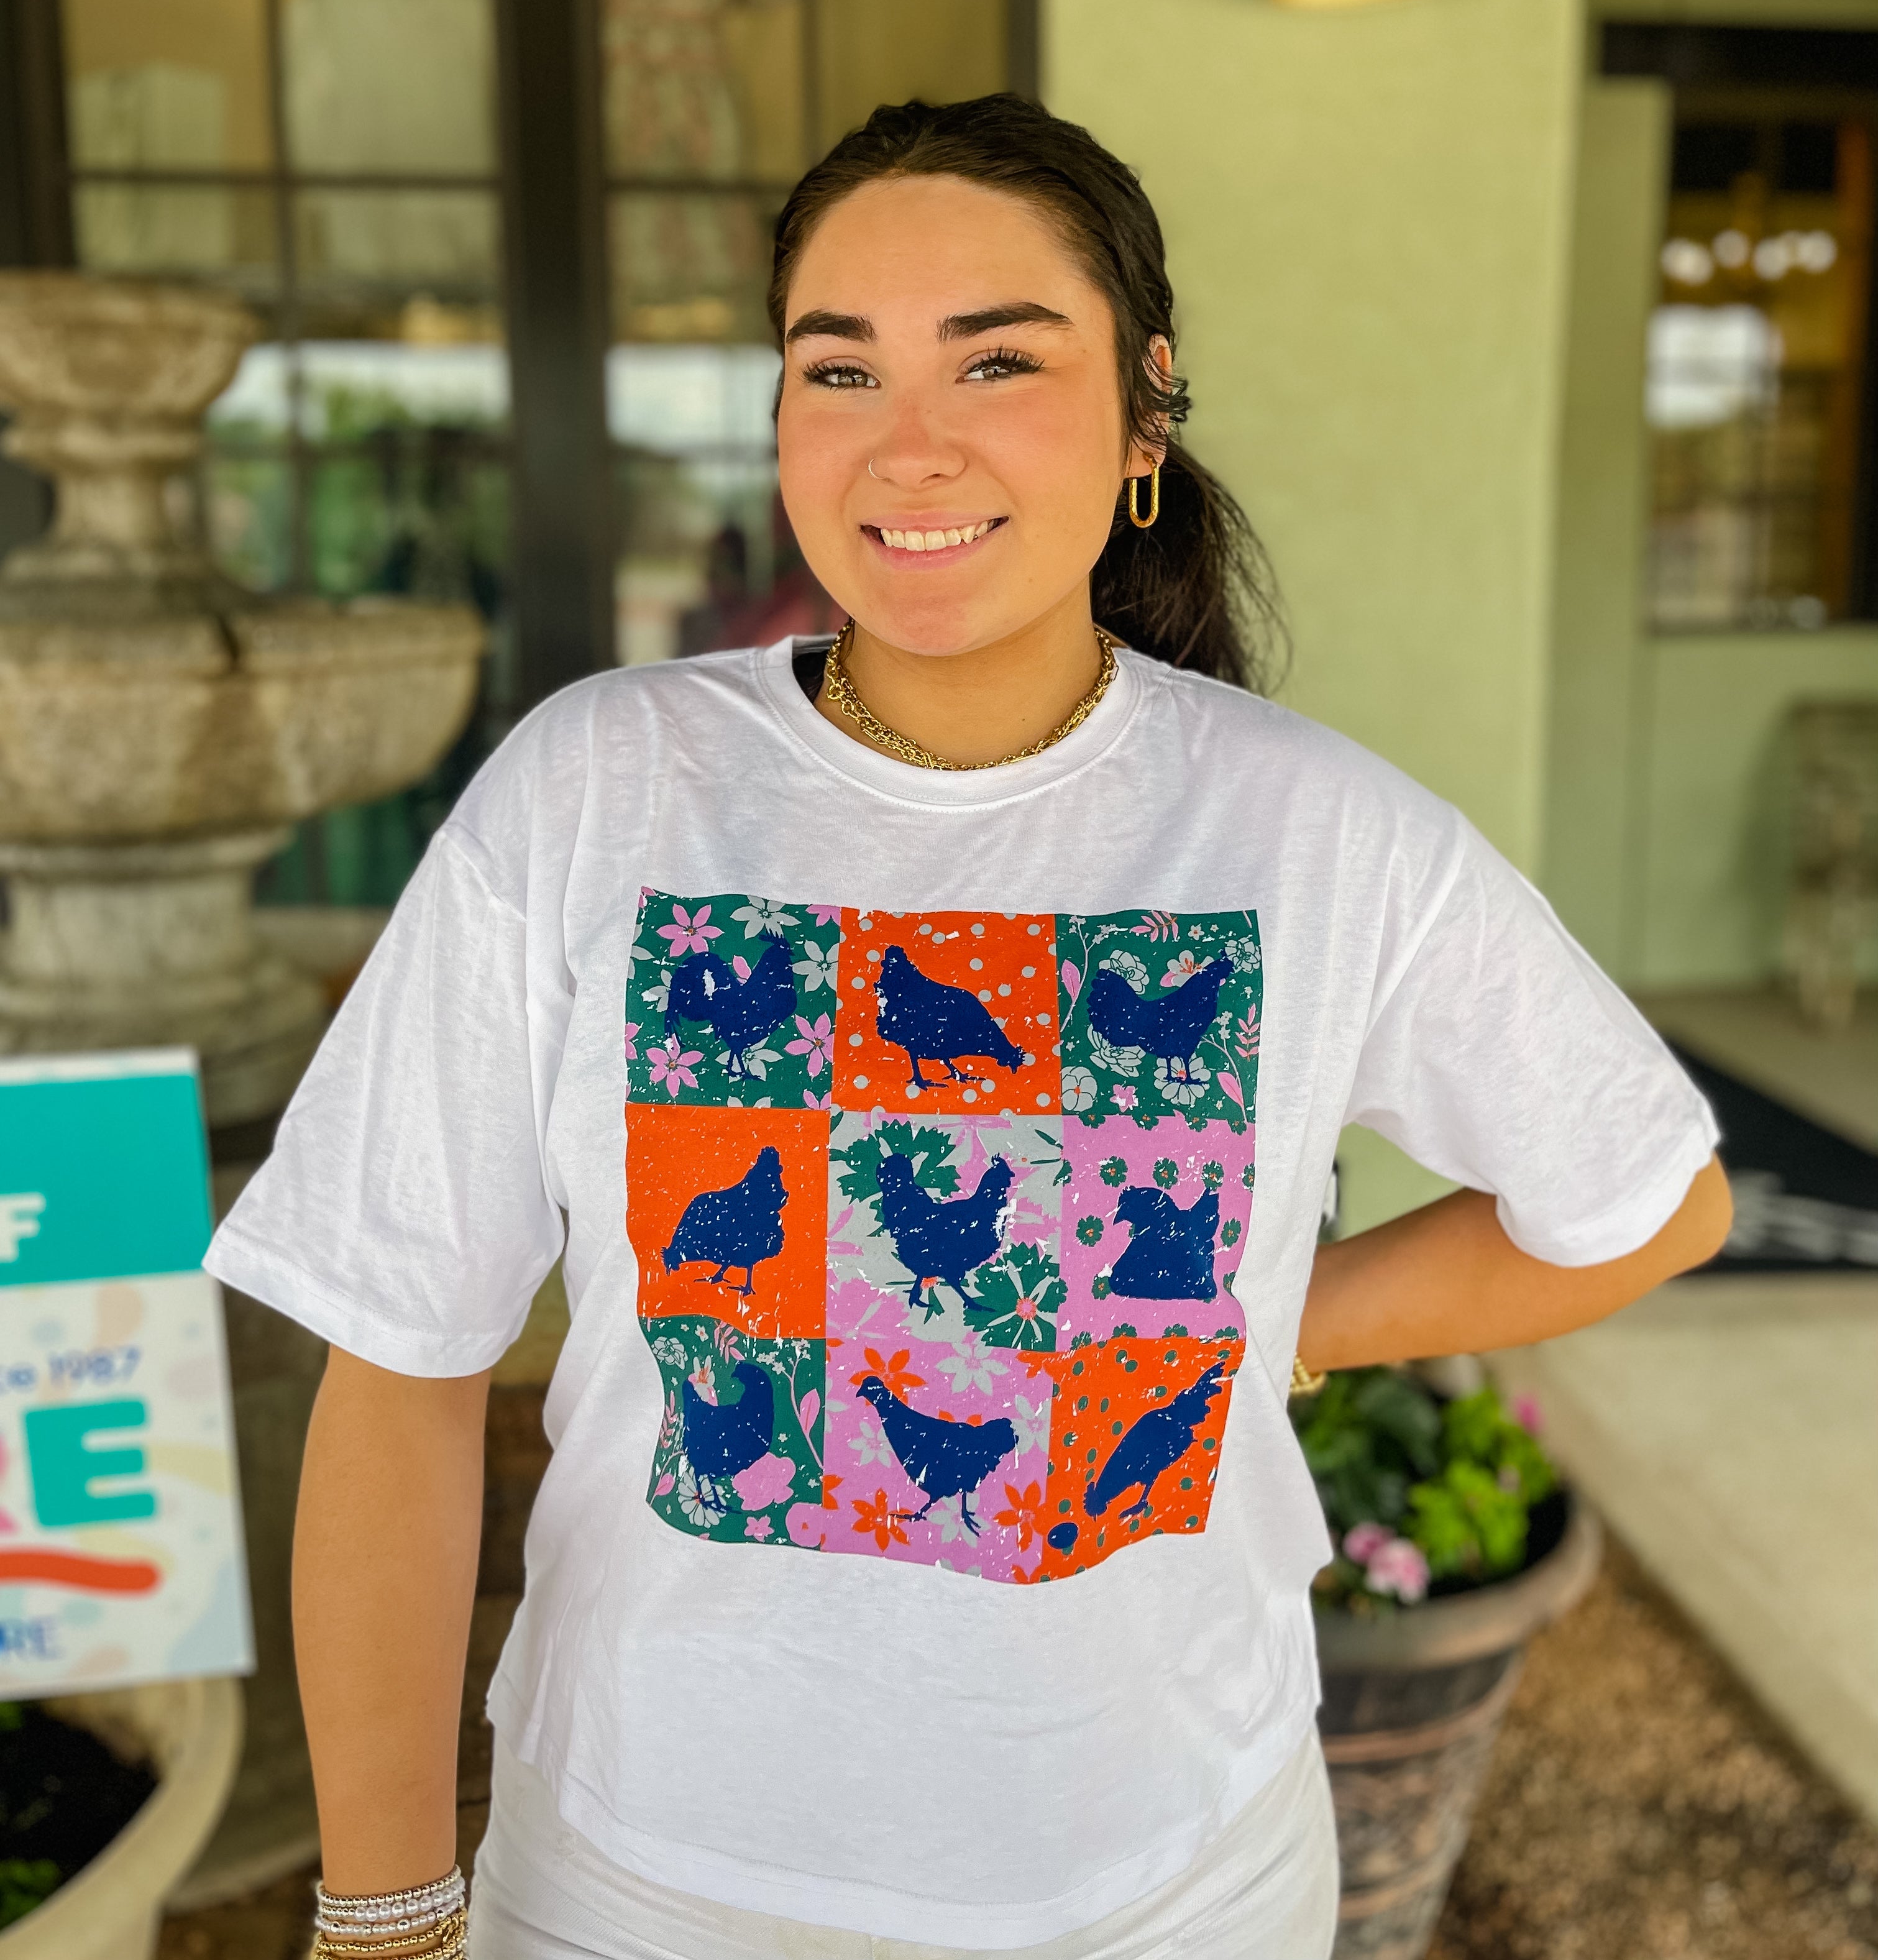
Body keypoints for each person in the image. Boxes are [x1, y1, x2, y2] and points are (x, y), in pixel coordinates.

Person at [208, 94, 1731, 1960]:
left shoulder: (1317, 833)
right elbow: (398, 1351)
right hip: (641, 1887)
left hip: (1174, 1888)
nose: (907, 444)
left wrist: (1277, 1325)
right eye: (837, 369)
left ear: (1147, 408)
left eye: (998, 360)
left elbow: (1649, 1199)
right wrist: (383, 1916)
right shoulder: (598, 787)